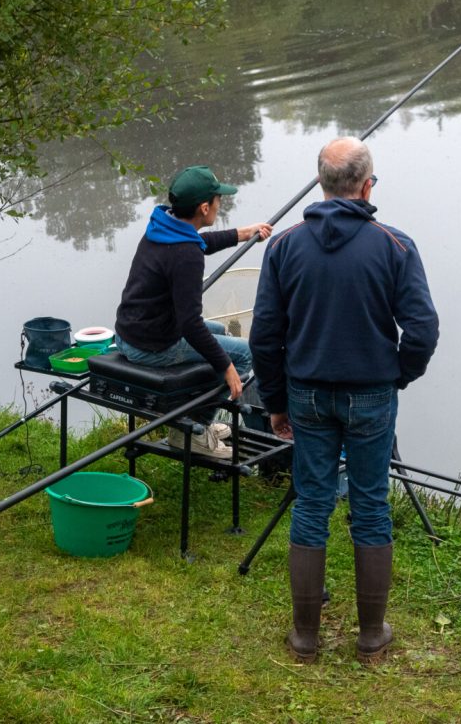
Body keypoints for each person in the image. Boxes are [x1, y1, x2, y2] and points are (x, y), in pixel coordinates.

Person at [249, 137, 439, 664]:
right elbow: (422, 329)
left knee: (311, 503)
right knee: (370, 505)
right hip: (372, 393)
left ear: (322, 184)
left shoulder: (283, 247)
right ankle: (371, 637)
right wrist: (398, 375)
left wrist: (276, 401)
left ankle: (305, 639)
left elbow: (265, 336)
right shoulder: (395, 246)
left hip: (307, 393)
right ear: (367, 186)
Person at [114, 165, 271, 459]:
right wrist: (227, 367)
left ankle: (196, 417)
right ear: (204, 207)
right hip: (153, 345)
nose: (220, 203)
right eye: (218, 199)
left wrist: (243, 233)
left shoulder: (161, 226)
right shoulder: (186, 255)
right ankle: (193, 429)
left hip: (130, 332)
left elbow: (198, 243)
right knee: (244, 355)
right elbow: (190, 324)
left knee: (220, 332)